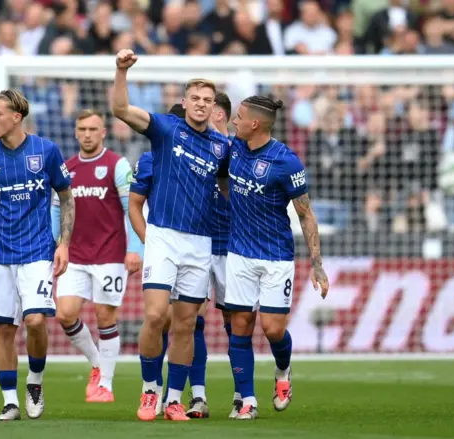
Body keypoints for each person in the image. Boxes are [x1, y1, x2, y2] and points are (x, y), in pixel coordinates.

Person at [111, 48, 230, 422]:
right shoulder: (165, 128)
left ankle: (174, 398)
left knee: (185, 324)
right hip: (163, 234)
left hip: (200, 242)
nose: (200, 104)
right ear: (184, 101)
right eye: (195, 98)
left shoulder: (221, 147)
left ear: (214, 109)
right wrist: (120, 72)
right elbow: (121, 110)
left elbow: (227, 187)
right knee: (156, 316)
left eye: (207, 101)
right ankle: (150, 390)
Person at [0, 89, 75, 421]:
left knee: (36, 320)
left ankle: (36, 381)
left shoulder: (46, 150)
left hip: (38, 250)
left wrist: (64, 244)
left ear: (16, 117)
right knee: (4, 329)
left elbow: (67, 198)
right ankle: (10, 401)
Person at [217, 95, 329, 420]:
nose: (233, 122)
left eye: (238, 117)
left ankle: (283, 369)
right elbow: (222, 177)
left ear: (254, 124)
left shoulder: (286, 161)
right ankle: (247, 400)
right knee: (239, 325)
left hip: (276, 257)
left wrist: (317, 264)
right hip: (238, 253)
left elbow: (306, 214)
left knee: (272, 329)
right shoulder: (232, 148)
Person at [50, 109, 142, 403]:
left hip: (110, 254)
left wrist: (135, 249)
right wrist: (58, 243)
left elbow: (133, 209)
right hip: (75, 254)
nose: (87, 134)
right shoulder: (67, 168)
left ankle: (106, 384)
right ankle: (96, 362)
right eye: (82, 129)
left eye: (93, 129)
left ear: (103, 133)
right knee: (65, 313)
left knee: (105, 316)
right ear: (76, 133)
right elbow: (57, 209)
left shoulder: (117, 165)